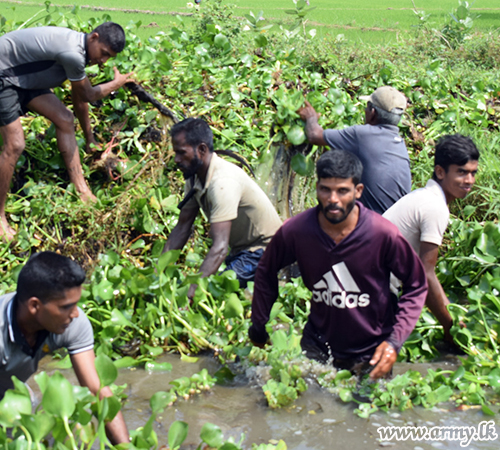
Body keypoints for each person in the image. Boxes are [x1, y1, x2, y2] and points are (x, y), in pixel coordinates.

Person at [249, 150, 428, 379]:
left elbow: (416, 284)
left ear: (358, 191)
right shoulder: (297, 231)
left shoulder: (382, 234)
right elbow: (266, 269)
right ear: (317, 189)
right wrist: (259, 323)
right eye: (326, 189)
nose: (333, 199)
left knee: (365, 410)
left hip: (371, 350)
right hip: (318, 345)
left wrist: (394, 342)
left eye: (342, 191)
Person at [0, 252, 129, 450]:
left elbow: (98, 391)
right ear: (35, 306)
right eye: (67, 306)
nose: (76, 313)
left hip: (8, 389)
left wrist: (128, 448)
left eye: (76, 303)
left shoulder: (71, 321)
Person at [0, 22, 133, 239]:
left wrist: (89, 139)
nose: (103, 60)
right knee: (15, 144)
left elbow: (79, 99)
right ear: (94, 37)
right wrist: (116, 84)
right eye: (104, 53)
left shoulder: (80, 52)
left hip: (25, 79)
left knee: (65, 119)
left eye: (109, 58)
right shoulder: (72, 54)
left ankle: (82, 190)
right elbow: (88, 94)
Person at [163, 118, 282, 295]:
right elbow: (182, 228)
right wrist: (158, 272)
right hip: (241, 251)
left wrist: (192, 292)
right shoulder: (194, 175)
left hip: (266, 250)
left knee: (218, 291)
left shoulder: (222, 183)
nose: (176, 159)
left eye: (181, 153)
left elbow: (220, 248)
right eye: (175, 153)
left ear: (202, 149)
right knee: (210, 284)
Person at [384, 134, 479, 344]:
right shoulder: (434, 206)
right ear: (440, 172)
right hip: (373, 288)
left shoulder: (426, 196)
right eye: (461, 172)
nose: (469, 181)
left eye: (473, 173)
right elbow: (425, 274)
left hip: (362, 282)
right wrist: (450, 326)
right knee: (378, 366)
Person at [297, 85, 411, 214]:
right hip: (398, 225)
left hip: (376, 224)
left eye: (367, 107)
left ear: (373, 113)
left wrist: (311, 117)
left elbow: (314, 135)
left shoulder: (363, 135)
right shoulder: (400, 143)